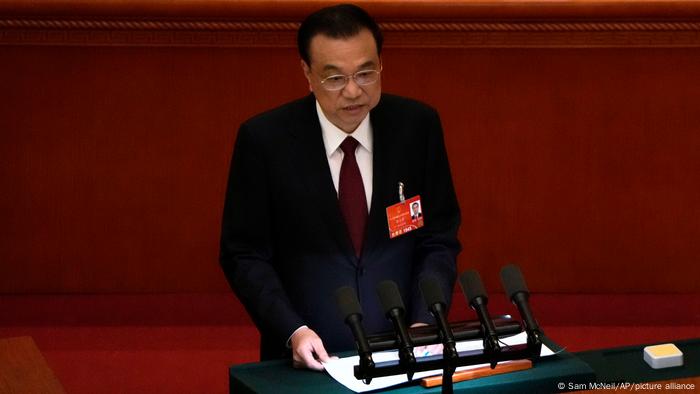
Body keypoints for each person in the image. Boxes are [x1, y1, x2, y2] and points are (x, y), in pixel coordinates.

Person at [220, 3, 461, 371]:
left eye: (366, 73)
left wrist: (425, 321)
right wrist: (293, 330)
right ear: (308, 73)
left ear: (381, 64)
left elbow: (438, 237)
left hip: (405, 355)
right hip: (307, 359)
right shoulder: (265, 141)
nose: (353, 92)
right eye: (335, 78)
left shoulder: (417, 127)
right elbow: (245, 255)